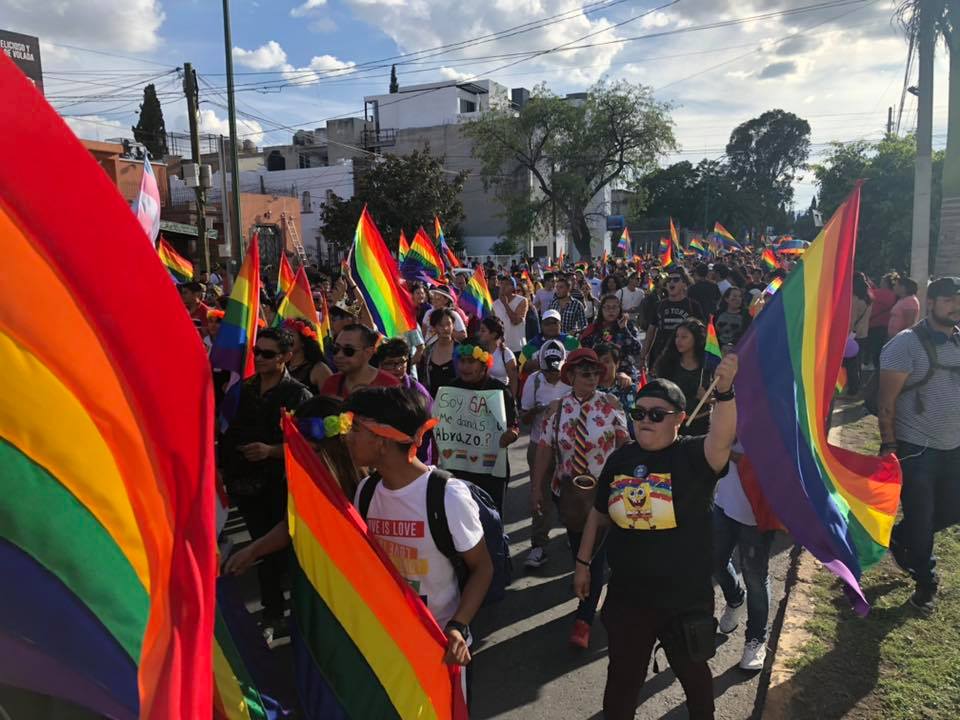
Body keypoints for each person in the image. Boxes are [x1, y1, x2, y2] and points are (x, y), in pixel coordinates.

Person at [574, 357, 739, 720]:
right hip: (629, 597)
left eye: (657, 414)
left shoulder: (694, 455)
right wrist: (583, 564)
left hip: (684, 599)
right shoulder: (621, 458)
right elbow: (599, 514)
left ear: (680, 418)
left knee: (694, 679)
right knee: (621, 683)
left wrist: (725, 392)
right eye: (639, 412)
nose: (645, 420)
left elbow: (722, 439)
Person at [345, 387, 494, 674]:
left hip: (440, 648)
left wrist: (457, 626)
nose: (347, 437)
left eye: (356, 429)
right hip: (387, 643)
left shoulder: (447, 496)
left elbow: (482, 568)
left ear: (382, 441)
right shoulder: (366, 491)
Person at [219, 327, 313, 641]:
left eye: (268, 354)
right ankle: (274, 611)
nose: (259, 358)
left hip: (280, 485)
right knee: (262, 546)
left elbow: (311, 447)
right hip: (245, 486)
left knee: (277, 551)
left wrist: (271, 451)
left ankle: (280, 614)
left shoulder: (298, 396)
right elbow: (227, 433)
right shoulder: (242, 390)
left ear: (286, 357)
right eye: (256, 352)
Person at [533, 349, 629, 649]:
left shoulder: (610, 405)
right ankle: (585, 582)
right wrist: (536, 488)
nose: (592, 378)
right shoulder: (556, 409)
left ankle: (584, 619)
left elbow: (626, 445)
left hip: (604, 494)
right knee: (579, 550)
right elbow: (545, 450)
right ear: (571, 376)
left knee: (594, 557)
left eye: (596, 373)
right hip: (569, 496)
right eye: (585, 373)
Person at [878, 276, 960, 613]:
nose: (956, 306)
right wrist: (888, 443)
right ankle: (926, 585)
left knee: (951, 510)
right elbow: (886, 402)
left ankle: (901, 536)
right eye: (949, 299)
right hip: (916, 449)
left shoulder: (958, 340)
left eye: (959, 300)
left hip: (953, 447)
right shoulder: (905, 344)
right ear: (931, 303)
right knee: (922, 518)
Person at [224, 395, 362, 574]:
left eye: (312, 451)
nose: (303, 459)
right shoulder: (304, 482)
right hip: (312, 575)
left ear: (340, 447)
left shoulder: (367, 490)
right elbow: (291, 524)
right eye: (297, 451)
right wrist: (253, 551)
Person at [712, 442, 779, 671]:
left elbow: (777, 460)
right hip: (724, 502)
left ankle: (756, 638)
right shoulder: (729, 414)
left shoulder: (778, 419)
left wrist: (728, 452)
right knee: (714, 561)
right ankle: (735, 599)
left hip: (757, 511)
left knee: (755, 578)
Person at [443, 342, 520, 513]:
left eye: (471, 362)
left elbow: (514, 425)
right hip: (459, 468)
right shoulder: (450, 389)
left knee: (491, 517)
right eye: (462, 361)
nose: (465, 367)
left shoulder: (500, 391)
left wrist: (511, 434)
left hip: (491, 471)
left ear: (484, 365)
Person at [520, 340, 571, 569]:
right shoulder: (534, 380)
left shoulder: (572, 379)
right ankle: (538, 545)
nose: (552, 375)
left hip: (567, 446)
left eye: (556, 371)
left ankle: (573, 533)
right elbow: (524, 417)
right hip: (539, 444)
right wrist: (537, 410)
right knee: (540, 493)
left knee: (571, 493)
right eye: (548, 371)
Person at [374, 337, 436, 463]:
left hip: (415, 460)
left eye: (402, 362)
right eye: (390, 363)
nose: (397, 368)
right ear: (379, 365)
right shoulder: (371, 389)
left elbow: (432, 426)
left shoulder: (418, 392)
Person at [654, 319, 711, 435]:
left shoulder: (708, 365)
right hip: (675, 425)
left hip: (703, 424)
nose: (678, 341)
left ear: (696, 339)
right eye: (677, 336)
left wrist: (708, 399)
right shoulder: (667, 364)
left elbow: (722, 397)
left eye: (684, 337)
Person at [319, 323, 400, 401]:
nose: (339, 355)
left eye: (348, 350)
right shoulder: (331, 383)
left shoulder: (390, 386)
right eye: (336, 348)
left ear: (368, 353)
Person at [642, 269, 704, 370]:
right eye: (668, 280)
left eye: (676, 279)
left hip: (684, 357)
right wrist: (643, 356)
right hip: (661, 356)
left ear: (684, 284)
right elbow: (650, 332)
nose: (671, 282)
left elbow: (702, 332)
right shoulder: (659, 305)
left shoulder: (693, 306)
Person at [580, 294, 644, 383]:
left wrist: (624, 329)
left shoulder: (628, 325)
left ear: (620, 309)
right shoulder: (594, 328)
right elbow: (585, 351)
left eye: (614, 307)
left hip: (625, 375)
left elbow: (637, 349)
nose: (611, 310)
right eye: (607, 307)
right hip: (599, 375)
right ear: (601, 309)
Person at [283, 318, 333, 394]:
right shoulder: (280, 364)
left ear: (303, 341)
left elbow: (331, 399)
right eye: (284, 334)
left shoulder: (319, 369)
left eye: (290, 335)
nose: (285, 339)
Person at [419, 308, 459, 395]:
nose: (445, 328)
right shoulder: (428, 352)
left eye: (448, 324)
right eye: (440, 325)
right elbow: (423, 380)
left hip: (456, 399)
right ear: (434, 327)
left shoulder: (460, 350)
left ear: (453, 325)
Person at [478, 315, 519, 399]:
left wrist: (512, 401)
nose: (479, 333)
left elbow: (514, 381)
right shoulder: (478, 351)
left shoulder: (506, 354)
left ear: (493, 334)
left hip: (501, 397)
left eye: (483, 331)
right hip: (482, 397)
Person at [845, 272, 872, 395]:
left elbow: (851, 320)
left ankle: (853, 388)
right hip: (863, 333)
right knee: (857, 362)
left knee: (851, 364)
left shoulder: (854, 299)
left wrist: (846, 334)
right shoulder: (869, 298)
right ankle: (858, 384)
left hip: (852, 335)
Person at [867, 272, 898, 369]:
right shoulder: (896, 295)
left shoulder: (877, 293)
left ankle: (876, 371)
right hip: (888, 327)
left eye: (882, 280)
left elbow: (867, 293)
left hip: (874, 325)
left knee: (875, 352)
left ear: (885, 283)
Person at [493, 275, 528, 354]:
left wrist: (505, 304)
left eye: (506, 284)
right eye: (501, 284)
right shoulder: (495, 304)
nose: (503, 287)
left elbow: (515, 321)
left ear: (513, 287)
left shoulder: (522, 301)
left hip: (517, 348)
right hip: (501, 348)